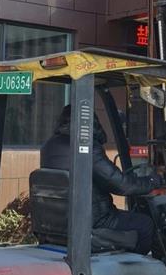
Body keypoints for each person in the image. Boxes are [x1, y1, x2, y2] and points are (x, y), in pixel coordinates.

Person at [41, 105, 157, 254]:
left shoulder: (49, 146)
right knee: (145, 224)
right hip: (94, 220)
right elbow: (120, 184)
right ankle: (135, 267)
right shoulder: (86, 147)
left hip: (59, 223)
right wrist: (152, 182)